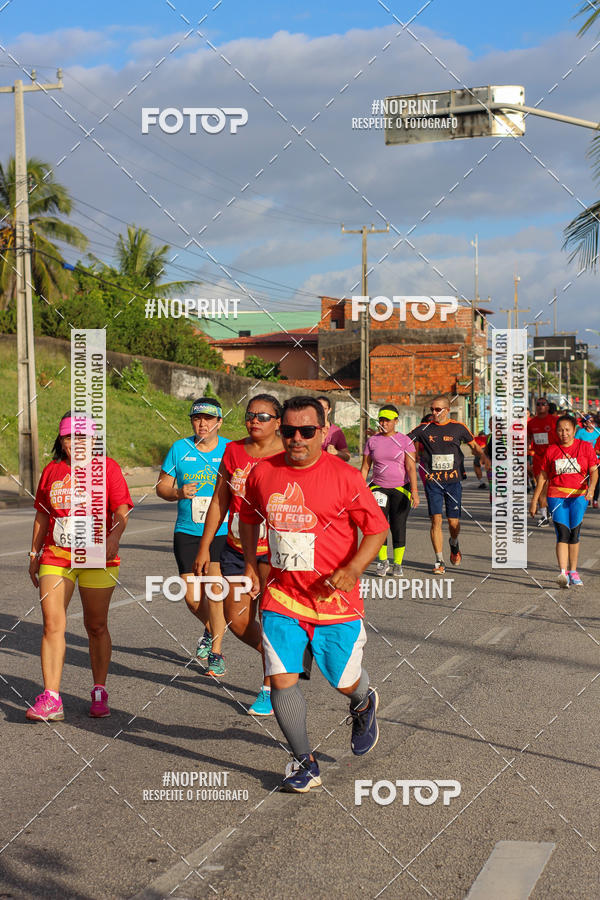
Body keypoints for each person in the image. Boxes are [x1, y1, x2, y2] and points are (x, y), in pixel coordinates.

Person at [239, 396, 388, 792]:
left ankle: (362, 700)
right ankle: (304, 762)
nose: (297, 439)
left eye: (306, 431)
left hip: (333, 600)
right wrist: (252, 564)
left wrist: (353, 569)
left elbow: (377, 529)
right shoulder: (263, 473)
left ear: (323, 431)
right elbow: (248, 517)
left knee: (343, 679)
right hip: (283, 597)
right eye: (289, 431)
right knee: (281, 679)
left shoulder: (345, 477)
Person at [27, 412, 133, 721]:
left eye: (83, 437)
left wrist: (114, 537)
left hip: (97, 558)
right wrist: (34, 554)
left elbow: (122, 509)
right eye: (70, 437)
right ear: (61, 440)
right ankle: (51, 698)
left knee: (95, 625)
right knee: (52, 623)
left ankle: (99, 689)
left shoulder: (107, 468)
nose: (77, 443)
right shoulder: (52, 471)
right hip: (56, 555)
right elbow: (42, 514)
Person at [194, 394, 283, 716]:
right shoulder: (233, 450)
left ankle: (269, 687)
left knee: (270, 619)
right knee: (238, 619)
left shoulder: (287, 453)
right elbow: (220, 500)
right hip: (236, 548)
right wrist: (205, 546)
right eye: (250, 415)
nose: (254, 421)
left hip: (275, 551)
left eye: (263, 416)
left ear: (278, 422)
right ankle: (281, 661)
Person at [156, 397, 229, 677]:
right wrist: (178, 492)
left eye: (208, 419)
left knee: (214, 591)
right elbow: (161, 487)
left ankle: (216, 652)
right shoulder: (179, 448)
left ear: (219, 422)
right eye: (197, 419)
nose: (202, 424)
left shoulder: (230, 450)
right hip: (187, 530)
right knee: (191, 598)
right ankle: (212, 629)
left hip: (220, 531)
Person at [409, 396, 490, 574]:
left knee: (453, 523)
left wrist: (484, 458)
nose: (434, 413)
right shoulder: (424, 428)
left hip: (453, 482)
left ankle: (454, 543)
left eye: (438, 409)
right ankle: (439, 560)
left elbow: (474, 446)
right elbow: (402, 440)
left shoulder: (458, 428)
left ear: (447, 410)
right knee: (436, 520)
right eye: (432, 409)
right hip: (433, 482)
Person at [529, 414, 598, 587]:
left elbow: (593, 470)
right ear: (556, 432)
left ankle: (573, 571)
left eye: (567, 430)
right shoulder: (551, 450)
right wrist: (534, 500)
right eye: (560, 430)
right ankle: (563, 573)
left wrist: (591, 489)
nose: (564, 433)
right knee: (562, 533)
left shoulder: (585, 447)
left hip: (579, 497)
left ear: (574, 430)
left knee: (574, 533)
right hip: (556, 496)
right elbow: (543, 476)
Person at [360, 403, 419, 577]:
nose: (383, 423)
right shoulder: (372, 441)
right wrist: (359, 489)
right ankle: (383, 560)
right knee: (379, 526)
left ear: (396, 421)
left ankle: (397, 563)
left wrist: (415, 492)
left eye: (387, 420)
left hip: (401, 488)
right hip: (378, 487)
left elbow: (411, 468)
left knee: (398, 525)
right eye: (381, 420)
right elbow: (365, 467)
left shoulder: (405, 441)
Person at [527, 397, 557, 525]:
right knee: (541, 486)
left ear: (548, 407)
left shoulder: (555, 420)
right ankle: (544, 516)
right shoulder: (531, 423)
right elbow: (528, 438)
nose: (540, 406)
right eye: (538, 404)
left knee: (551, 487)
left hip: (554, 457)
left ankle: (552, 509)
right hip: (539, 458)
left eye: (543, 404)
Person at [317, 396, 350, 461]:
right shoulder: (306, 428)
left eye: (324, 408)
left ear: (329, 410)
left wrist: (336, 452)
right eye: (318, 408)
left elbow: (347, 456)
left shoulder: (336, 431)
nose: (321, 411)